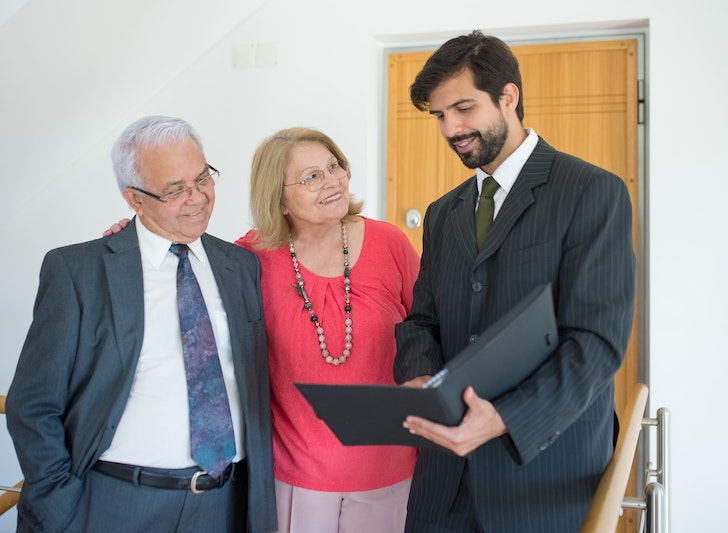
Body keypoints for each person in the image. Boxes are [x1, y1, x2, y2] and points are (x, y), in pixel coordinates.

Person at [393, 31, 636, 532]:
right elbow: (422, 319)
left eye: (463, 108)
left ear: (509, 96)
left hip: (543, 479)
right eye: (440, 116)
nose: (450, 129)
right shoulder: (442, 214)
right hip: (444, 483)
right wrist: (420, 378)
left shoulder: (592, 191)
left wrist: (505, 417)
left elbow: (596, 343)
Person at [6, 115, 277, 533]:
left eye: (203, 178)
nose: (197, 197)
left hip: (224, 505)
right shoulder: (78, 271)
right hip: (114, 503)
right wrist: (59, 501)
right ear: (134, 199)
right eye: (174, 190)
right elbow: (33, 405)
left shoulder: (240, 266)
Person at [235, 127, 419, 533]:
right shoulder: (248, 259)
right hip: (297, 471)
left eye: (334, 165)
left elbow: (430, 329)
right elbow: (191, 283)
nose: (332, 181)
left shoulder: (390, 243)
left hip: (388, 464)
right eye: (311, 176)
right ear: (279, 200)